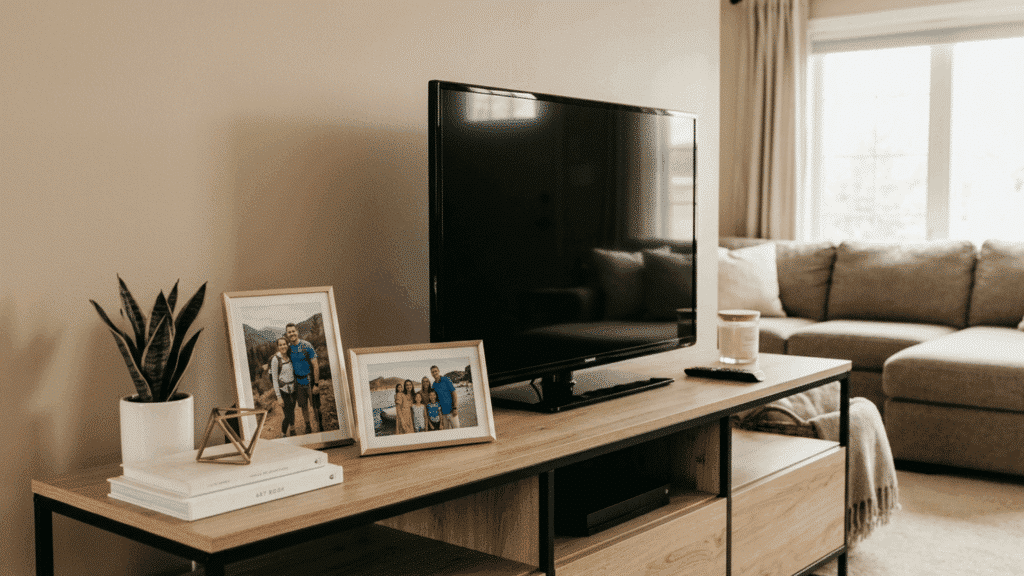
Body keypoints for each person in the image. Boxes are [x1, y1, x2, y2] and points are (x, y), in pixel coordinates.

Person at [285, 323, 320, 434]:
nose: (292, 334)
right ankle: (308, 426)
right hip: (298, 383)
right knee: (303, 406)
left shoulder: (306, 345)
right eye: (289, 332)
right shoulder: (289, 349)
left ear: (297, 332)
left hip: (310, 380)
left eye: (293, 331)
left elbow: (315, 365)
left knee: (315, 406)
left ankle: (320, 426)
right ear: (287, 334)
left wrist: (316, 384)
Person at [269, 338, 297, 436]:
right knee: (288, 414)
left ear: (287, 345)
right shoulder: (275, 359)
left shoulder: (289, 356)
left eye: (284, 344)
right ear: (278, 347)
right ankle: (283, 433)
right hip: (283, 391)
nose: (283, 346)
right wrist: (279, 397)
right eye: (280, 345)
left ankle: (292, 429)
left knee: (292, 411)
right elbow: (274, 379)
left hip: (293, 389)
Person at [430, 365, 460, 429]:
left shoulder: (446, 380)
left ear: (439, 371)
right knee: (447, 432)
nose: (434, 373)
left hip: (452, 411)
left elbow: (454, 393)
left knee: (457, 430)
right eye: (432, 372)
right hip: (443, 414)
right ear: (431, 374)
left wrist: (455, 408)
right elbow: (435, 399)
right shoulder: (434, 385)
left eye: (435, 371)